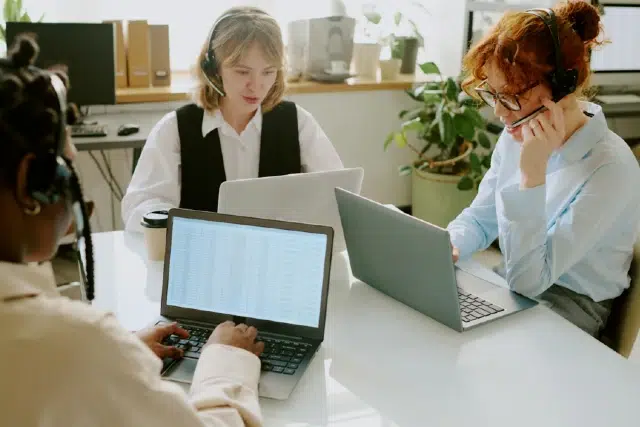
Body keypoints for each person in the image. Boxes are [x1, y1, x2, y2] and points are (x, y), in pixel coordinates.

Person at [0, 35, 267, 426]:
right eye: (69, 166)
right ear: (32, 183)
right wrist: (226, 359)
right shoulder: (73, 343)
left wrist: (119, 352)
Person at [447, 0, 640, 337]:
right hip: (515, 284)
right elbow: (480, 218)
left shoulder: (611, 167)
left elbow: (530, 280)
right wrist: (448, 244)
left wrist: (531, 177)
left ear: (561, 87)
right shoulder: (517, 133)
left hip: (572, 306)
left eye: (510, 97)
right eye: (494, 95)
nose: (499, 113)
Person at [122, 7, 344, 231]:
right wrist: (183, 227)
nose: (256, 86)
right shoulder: (175, 129)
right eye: (242, 72)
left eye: (268, 72)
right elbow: (139, 206)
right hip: (204, 258)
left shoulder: (298, 123)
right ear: (213, 69)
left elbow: (338, 196)